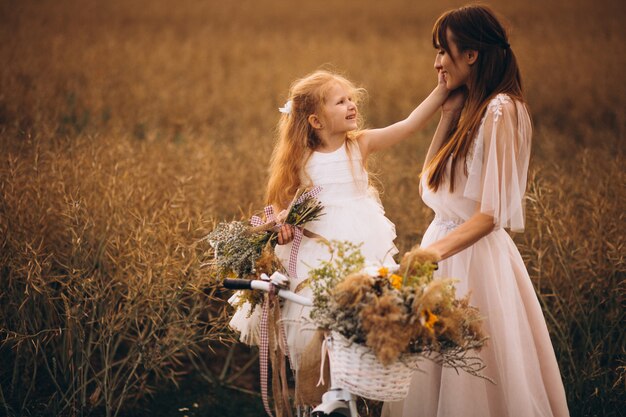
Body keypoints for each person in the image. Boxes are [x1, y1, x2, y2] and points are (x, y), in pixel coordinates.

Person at [383, 5, 570, 417]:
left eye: (442, 51)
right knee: (431, 377)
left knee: (474, 376)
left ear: (471, 54)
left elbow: (490, 215)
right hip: (444, 250)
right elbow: (430, 186)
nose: (436, 63)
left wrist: (430, 255)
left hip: (474, 262)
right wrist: (447, 116)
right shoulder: (469, 109)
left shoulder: (502, 109)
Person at [229, 69, 449, 376]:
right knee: (316, 322)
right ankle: (320, 390)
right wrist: (284, 228)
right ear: (316, 121)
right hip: (315, 252)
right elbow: (285, 209)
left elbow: (408, 125)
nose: (351, 106)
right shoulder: (300, 161)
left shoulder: (359, 145)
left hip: (361, 242)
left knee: (363, 316)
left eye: (351, 99)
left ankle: (359, 387)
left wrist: (441, 92)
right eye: (340, 102)